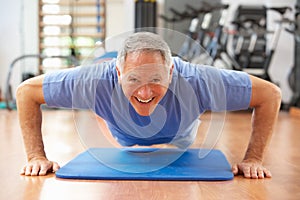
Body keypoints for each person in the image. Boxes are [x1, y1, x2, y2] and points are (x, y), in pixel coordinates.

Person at [16, 32, 281, 178]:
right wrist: (36, 156)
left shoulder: (199, 80)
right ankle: (105, 114)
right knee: (123, 134)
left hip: (180, 133)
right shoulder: (93, 81)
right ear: (118, 73)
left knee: (182, 138)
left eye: (156, 78)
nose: (145, 90)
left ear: (171, 70)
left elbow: (269, 95)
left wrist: (253, 159)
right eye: (133, 79)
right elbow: (27, 92)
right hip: (122, 133)